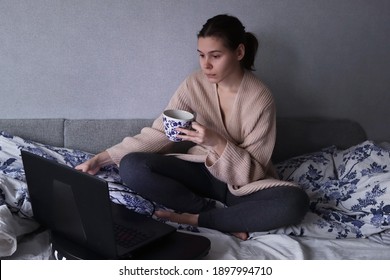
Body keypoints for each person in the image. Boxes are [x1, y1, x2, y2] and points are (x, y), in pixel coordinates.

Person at [76, 14, 309, 240]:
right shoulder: (194, 84)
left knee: (295, 202)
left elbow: (254, 173)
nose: (206, 65)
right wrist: (100, 159)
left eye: (215, 56)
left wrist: (217, 142)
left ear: (239, 52)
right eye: (201, 55)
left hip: (242, 184)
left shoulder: (260, 98)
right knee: (132, 166)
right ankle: (210, 212)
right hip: (201, 172)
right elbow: (161, 132)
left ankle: (204, 220)